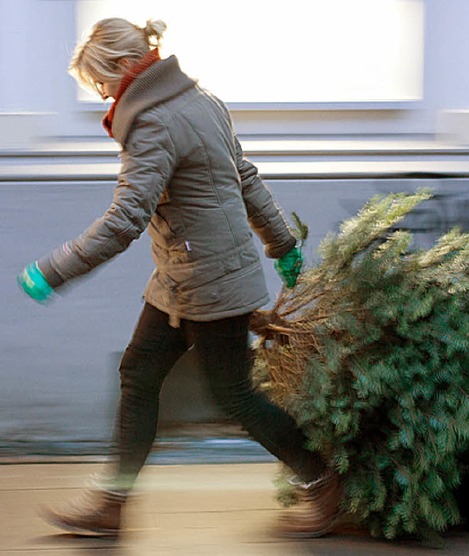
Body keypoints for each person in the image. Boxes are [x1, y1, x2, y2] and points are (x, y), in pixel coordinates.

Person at [17, 17, 340, 539]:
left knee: (234, 396)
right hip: (181, 277)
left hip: (210, 284)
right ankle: (111, 505)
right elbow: (246, 178)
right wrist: (281, 244)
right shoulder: (202, 99)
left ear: (126, 68)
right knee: (139, 373)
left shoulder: (153, 124)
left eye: (101, 83)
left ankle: (325, 482)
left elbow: (124, 221)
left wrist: (54, 269)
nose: (102, 95)